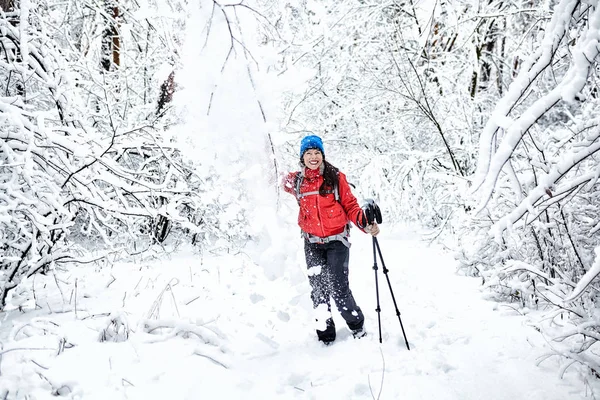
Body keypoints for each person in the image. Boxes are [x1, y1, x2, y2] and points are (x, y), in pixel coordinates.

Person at [283, 134, 380, 345]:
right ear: (302, 157)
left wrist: (365, 223)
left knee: (338, 287)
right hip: (312, 242)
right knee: (318, 289)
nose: (313, 157)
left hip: (337, 241)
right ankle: (325, 336)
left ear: (323, 155)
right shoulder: (297, 181)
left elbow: (351, 205)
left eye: (317, 152)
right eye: (308, 153)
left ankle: (357, 326)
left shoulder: (336, 177)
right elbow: (271, 176)